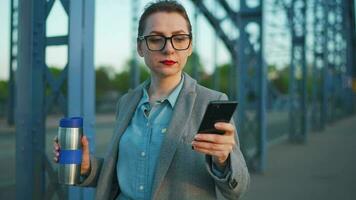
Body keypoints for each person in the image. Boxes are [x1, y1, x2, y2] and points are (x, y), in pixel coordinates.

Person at [54, 1, 249, 199]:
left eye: (179, 38)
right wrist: (88, 166)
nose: (169, 49)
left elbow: (237, 189)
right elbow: (124, 176)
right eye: (156, 39)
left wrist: (224, 160)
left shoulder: (211, 102)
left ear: (189, 46)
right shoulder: (127, 102)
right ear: (140, 47)